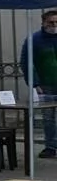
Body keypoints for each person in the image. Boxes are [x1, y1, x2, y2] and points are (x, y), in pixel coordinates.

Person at [27, 9, 57, 157]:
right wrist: (35, 83)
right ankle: (51, 146)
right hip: (45, 84)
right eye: (51, 22)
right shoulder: (35, 39)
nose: (54, 25)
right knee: (48, 117)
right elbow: (27, 62)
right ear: (44, 22)